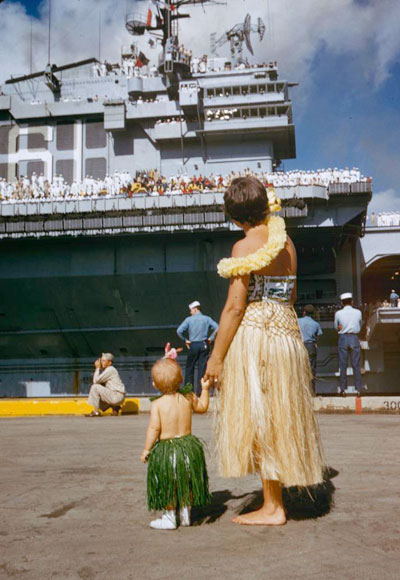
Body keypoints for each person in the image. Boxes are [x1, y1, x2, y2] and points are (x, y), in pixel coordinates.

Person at [204, 177, 325, 526]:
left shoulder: (244, 248)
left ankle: (273, 507)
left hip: (258, 331)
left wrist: (216, 357)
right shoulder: (287, 243)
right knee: (281, 414)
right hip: (288, 332)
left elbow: (234, 308)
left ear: (235, 216)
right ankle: (275, 500)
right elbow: (291, 296)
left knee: (262, 419)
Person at [141, 358, 211, 530]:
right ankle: (186, 514)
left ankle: (170, 517)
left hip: (168, 451)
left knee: (169, 483)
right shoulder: (188, 396)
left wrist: (146, 449)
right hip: (189, 448)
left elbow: (154, 429)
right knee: (185, 481)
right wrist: (205, 389)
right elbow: (202, 407)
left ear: (154, 385)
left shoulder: (157, 404)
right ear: (181, 379)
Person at [177, 300, 219, 395]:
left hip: (193, 345)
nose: (190, 312)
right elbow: (218, 327)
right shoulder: (207, 319)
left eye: (191, 310)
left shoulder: (188, 320)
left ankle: (188, 391)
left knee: (189, 368)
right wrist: (211, 338)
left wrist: (185, 340)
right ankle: (201, 392)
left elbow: (179, 331)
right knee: (202, 369)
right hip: (204, 344)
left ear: (195, 309)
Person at [334, 293, 364, 397]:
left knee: (343, 365)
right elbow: (360, 324)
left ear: (342, 303)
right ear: (352, 302)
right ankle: (358, 390)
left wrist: (341, 328)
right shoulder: (358, 312)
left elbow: (336, 327)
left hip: (343, 338)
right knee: (356, 365)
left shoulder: (338, 313)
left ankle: (343, 390)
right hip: (354, 337)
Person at [297, 304, 323, 395]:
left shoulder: (298, 321)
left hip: (300, 346)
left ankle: (300, 392)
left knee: (299, 368)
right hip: (311, 346)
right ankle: (312, 391)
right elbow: (318, 335)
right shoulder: (316, 324)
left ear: (304, 312)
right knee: (312, 369)